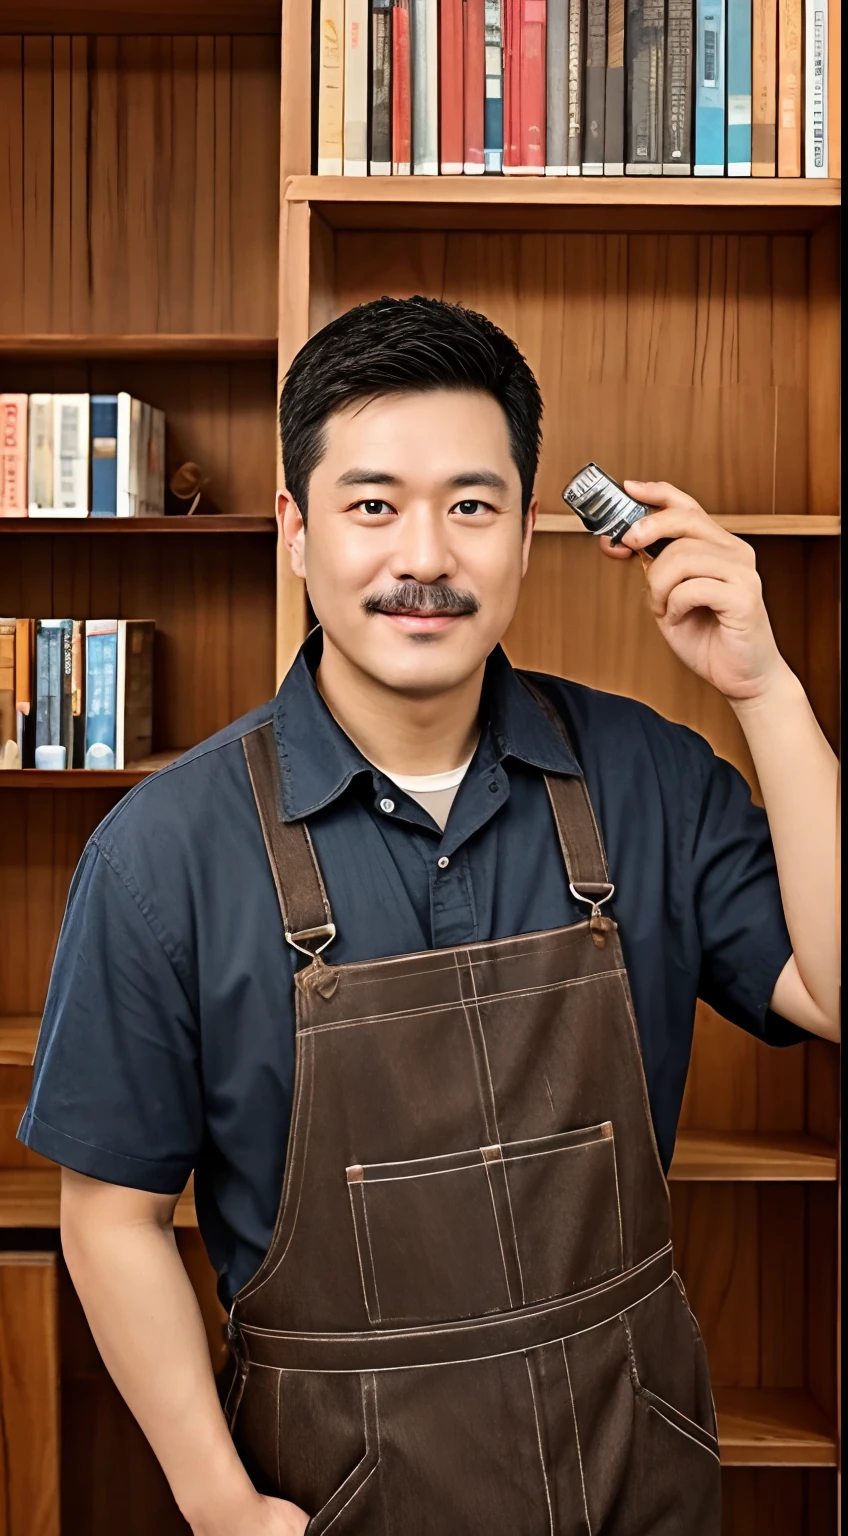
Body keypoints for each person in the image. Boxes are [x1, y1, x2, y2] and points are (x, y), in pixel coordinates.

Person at [19, 297, 839, 1536]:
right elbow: (112, 1213)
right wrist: (218, 1503)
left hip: (636, 1472)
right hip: (331, 1491)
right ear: (296, 531)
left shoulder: (649, 777)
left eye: (469, 505)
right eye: (370, 506)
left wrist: (764, 688)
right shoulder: (161, 852)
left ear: (522, 536)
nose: (423, 556)